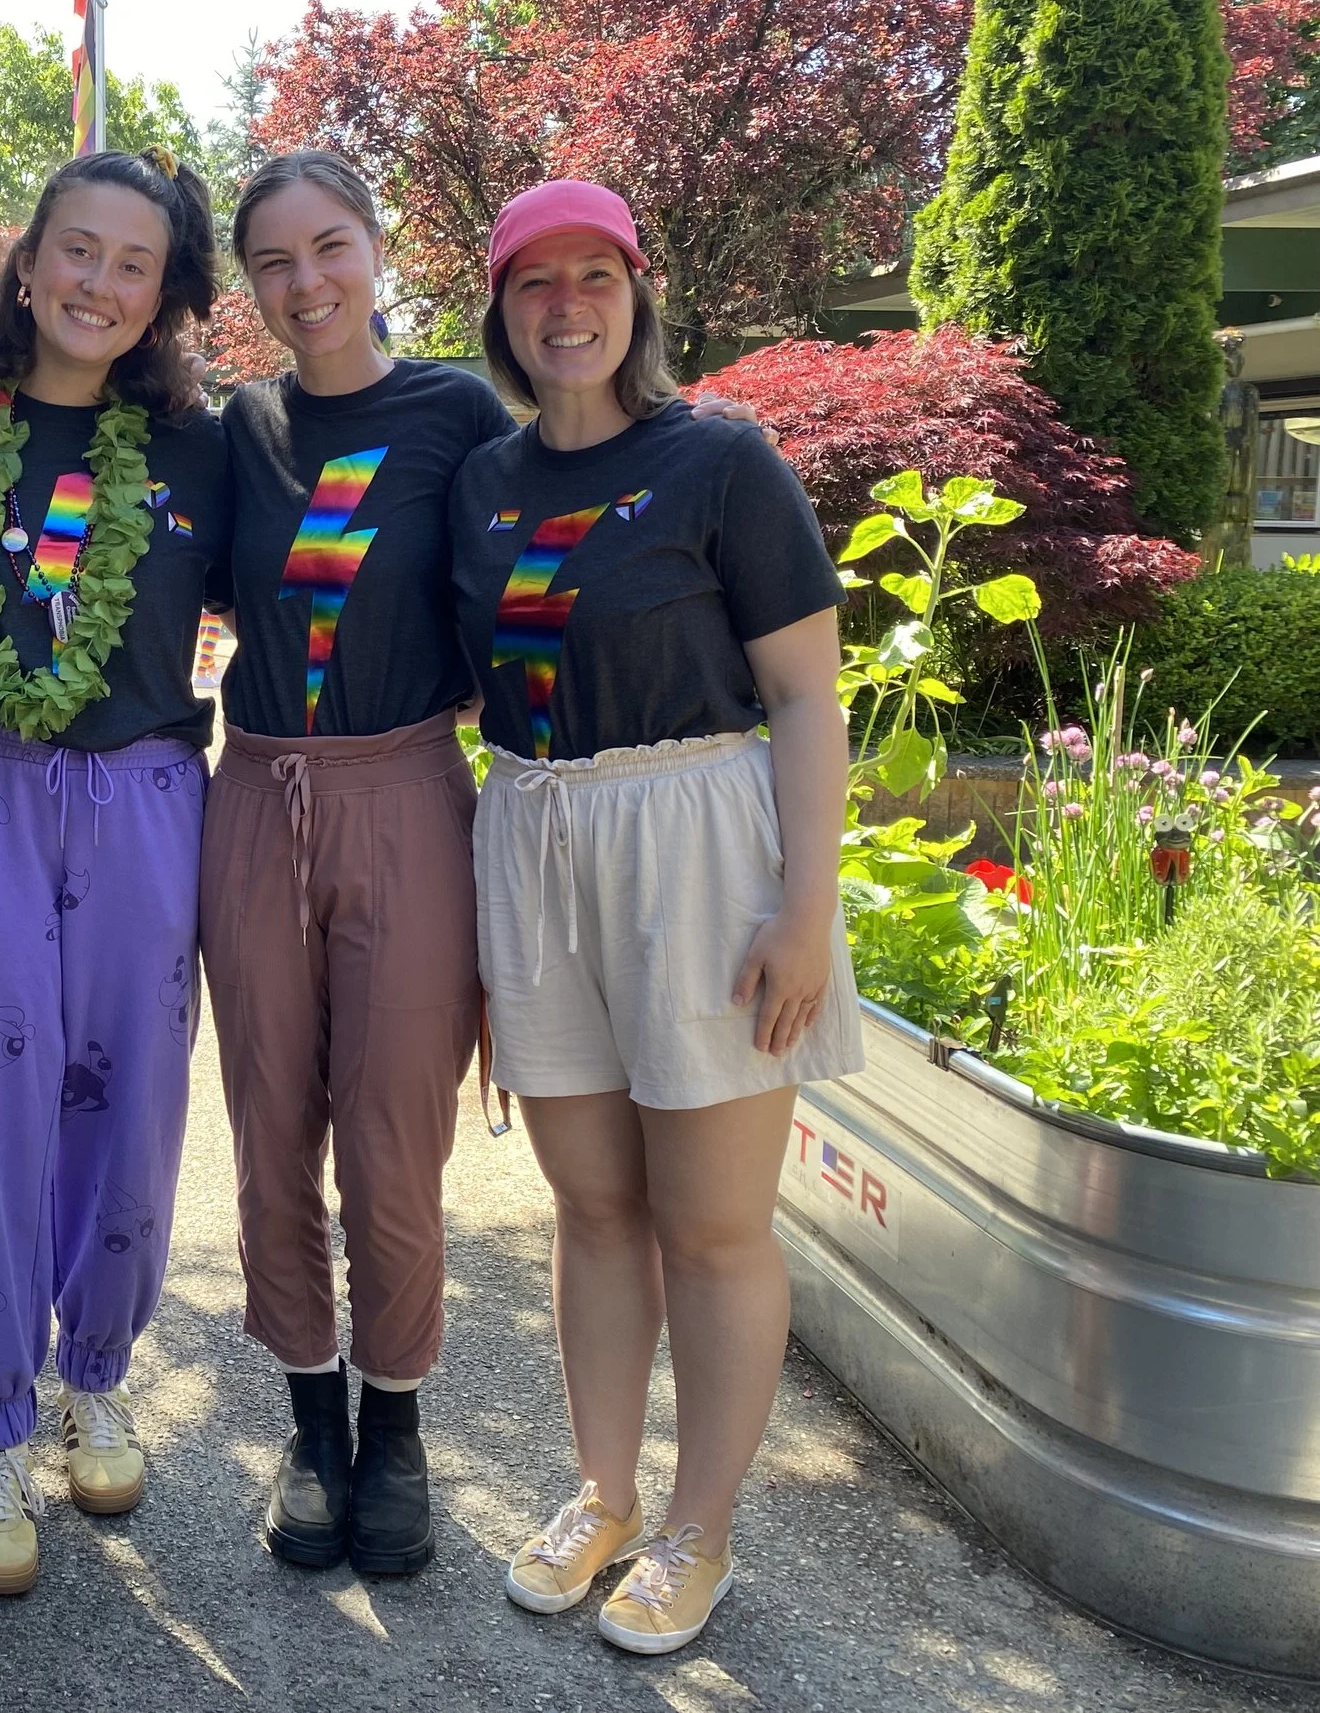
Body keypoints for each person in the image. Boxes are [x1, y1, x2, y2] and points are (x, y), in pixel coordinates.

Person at [448, 181, 863, 1653]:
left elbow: (810, 694)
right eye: (534, 282)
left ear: (637, 289)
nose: (567, 304)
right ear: (501, 311)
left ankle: (702, 1530)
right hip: (536, 833)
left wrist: (804, 908)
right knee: (596, 1204)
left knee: (711, 1222)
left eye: (594, 274)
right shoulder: (484, 485)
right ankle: (604, 1492)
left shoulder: (717, 464)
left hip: (696, 841)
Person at [0, 147, 227, 1596]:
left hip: (146, 793)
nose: (97, 281)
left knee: (131, 1100)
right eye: (74, 251)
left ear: (164, 298)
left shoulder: (211, 456)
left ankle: (95, 1368)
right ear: (29, 268)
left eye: (131, 262)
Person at [203, 150, 514, 1576]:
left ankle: (397, 1427)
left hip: (403, 790)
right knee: (273, 1128)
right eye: (274, 261)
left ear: (378, 251)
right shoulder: (237, 430)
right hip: (258, 795)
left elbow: (513, 603)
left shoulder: (454, 411)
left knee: (395, 1135)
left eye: (330, 247)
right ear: (249, 285)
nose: (306, 282)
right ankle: (310, 1426)